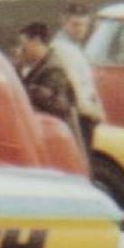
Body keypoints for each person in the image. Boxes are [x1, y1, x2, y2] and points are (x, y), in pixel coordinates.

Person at [18, 22, 86, 152]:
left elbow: (59, 105)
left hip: (62, 142)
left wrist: (32, 90)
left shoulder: (54, 68)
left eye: (24, 46)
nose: (21, 50)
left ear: (36, 41)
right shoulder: (40, 66)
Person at [52, 3, 104, 149]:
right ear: (64, 23)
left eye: (83, 25)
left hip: (83, 112)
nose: (80, 29)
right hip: (77, 115)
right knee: (81, 154)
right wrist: (92, 112)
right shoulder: (62, 48)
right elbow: (74, 85)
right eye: (75, 24)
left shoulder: (76, 48)